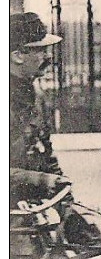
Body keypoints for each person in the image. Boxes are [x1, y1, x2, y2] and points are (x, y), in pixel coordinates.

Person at [10, 13, 69, 204]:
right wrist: (42, 181)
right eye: (40, 50)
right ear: (17, 56)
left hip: (33, 205)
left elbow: (46, 151)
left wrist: (66, 200)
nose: (48, 56)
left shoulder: (36, 95)